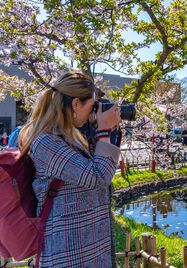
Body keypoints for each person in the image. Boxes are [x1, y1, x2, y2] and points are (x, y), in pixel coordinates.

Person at [18, 71, 121, 268]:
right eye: (92, 106)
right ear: (75, 104)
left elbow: (95, 169)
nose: (94, 113)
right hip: (69, 253)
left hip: (88, 246)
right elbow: (98, 177)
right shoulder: (47, 143)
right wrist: (103, 131)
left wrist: (104, 131)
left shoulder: (69, 137)